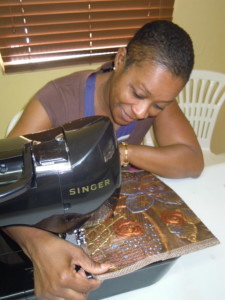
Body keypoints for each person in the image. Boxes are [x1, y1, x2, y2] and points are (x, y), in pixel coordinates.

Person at [3, 20, 204, 299]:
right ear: (120, 59)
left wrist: (122, 153)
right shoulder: (57, 99)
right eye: (137, 93)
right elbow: (4, 186)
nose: (142, 112)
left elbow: (192, 160)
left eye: (159, 105)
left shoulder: (153, 97)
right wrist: (38, 246)